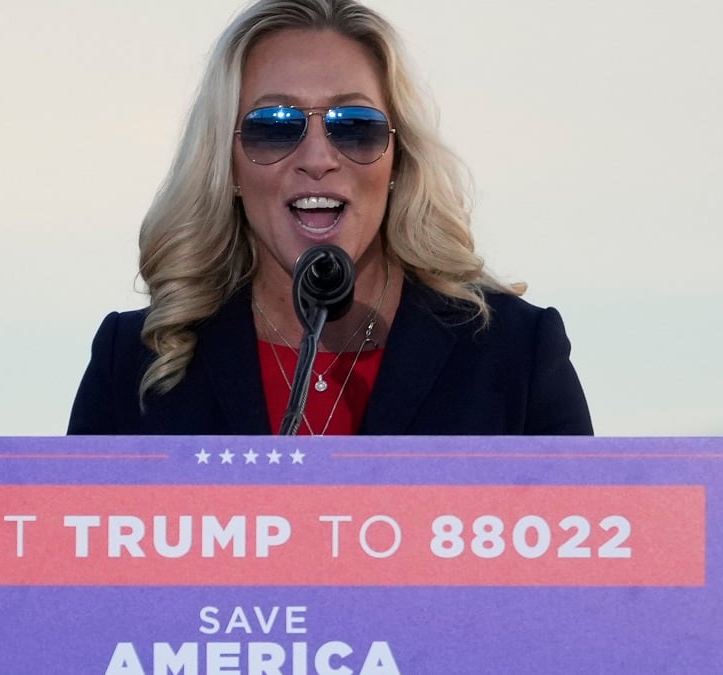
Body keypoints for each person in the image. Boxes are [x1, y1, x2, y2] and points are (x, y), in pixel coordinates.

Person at [68, 0, 592, 436]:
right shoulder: (133, 364)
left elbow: (588, 552)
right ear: (225, 167)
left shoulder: (516, 354)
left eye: (355, 125)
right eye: (273, 126)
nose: (317, 157)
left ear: (397, 158)